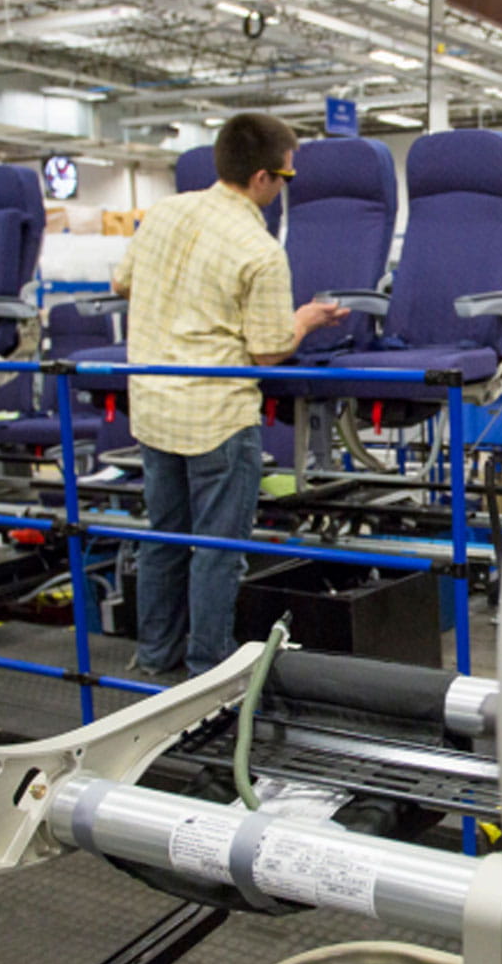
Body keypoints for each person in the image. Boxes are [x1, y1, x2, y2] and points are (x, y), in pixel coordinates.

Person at [112, 114, 348, 677]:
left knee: (163, 542)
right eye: (285, 177)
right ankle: (206, 675)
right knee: (217, 553)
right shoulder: (259, 249)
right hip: (215, 416)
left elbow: (121, 283)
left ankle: (153, 660)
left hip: (154, 405)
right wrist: (307, 320)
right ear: (264, 178)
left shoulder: (165, 212)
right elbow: (268, 351)